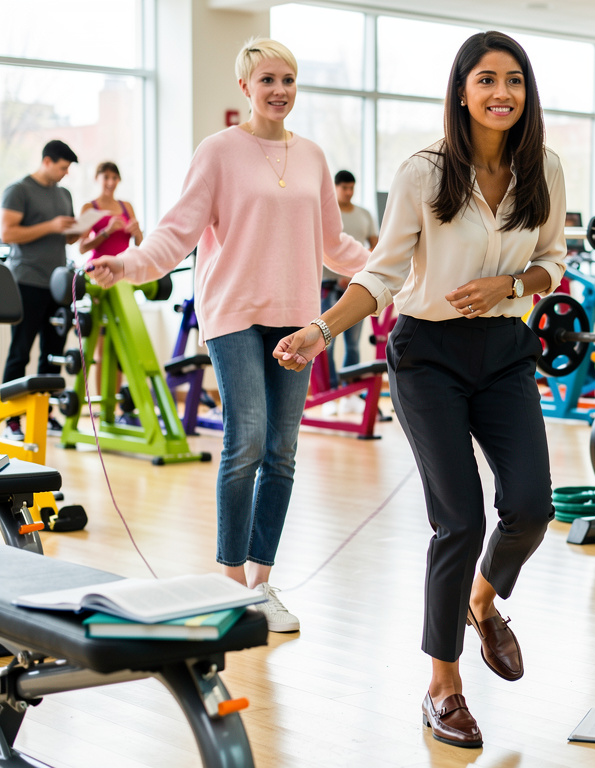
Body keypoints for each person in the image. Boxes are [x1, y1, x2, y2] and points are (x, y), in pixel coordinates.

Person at [274, 30, 566, 748]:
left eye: (514, 80)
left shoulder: (544, 168)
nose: (502, 93)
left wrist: (511, 283)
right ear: (461, 91)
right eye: (486, 79)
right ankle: (443, 687)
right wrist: (320, 329)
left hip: (505, 351)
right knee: (458, 520)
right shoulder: (424, 173)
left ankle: (481, 600)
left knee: (531, 507)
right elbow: (381, 273)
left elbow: (553, 260)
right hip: (428, 354)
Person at [86, 38, 370, 632]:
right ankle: (229, 582)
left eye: (288, 79)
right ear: (245, 87)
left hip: (297, 317)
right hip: (234, 313)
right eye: (267, 80)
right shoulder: (217, 152)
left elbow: (334, 244)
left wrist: (394, 268)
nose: (279, 90)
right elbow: (177, 233)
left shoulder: (312, 156)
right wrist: (128, 264)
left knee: (282, 453)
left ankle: (262, 584)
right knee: (248, 440)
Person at [1, 139, 81, 440]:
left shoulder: (64, 194)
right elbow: (7, 232)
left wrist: (80, 229)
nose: (66, 173)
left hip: (58, 284)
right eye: (62, 167)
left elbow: (67, 237)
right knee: (20, 351)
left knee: (53, 353)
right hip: (27, 281)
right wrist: (51, 225)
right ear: (47, 161)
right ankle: (11, 420)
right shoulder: (19, 190)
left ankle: (44, 414)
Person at [78, 162, 145, 395]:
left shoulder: (126, 207)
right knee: (103, 342)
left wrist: (138, 233)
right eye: (105, 177)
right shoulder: (90, 207)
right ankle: (101, 402)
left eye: (114, 178)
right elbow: (81, 246)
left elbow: (139, 244)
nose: (110, 182)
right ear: (97, 178)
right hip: (99, 275)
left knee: (121, 344)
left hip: (124, 277)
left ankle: (115, 403)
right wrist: (106, 231)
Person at [321, 170, 378, 401]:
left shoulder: (364, 214)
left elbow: (376, 247)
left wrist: (355, 272)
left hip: (357, 283)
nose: (348, 192)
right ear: (335, 187)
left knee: (353, 344)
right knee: (327, 342)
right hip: (329, 285)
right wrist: (341, 273)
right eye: (344, 188)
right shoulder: (327, 213)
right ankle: (331, 394)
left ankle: (350, 393)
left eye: (352, 188)